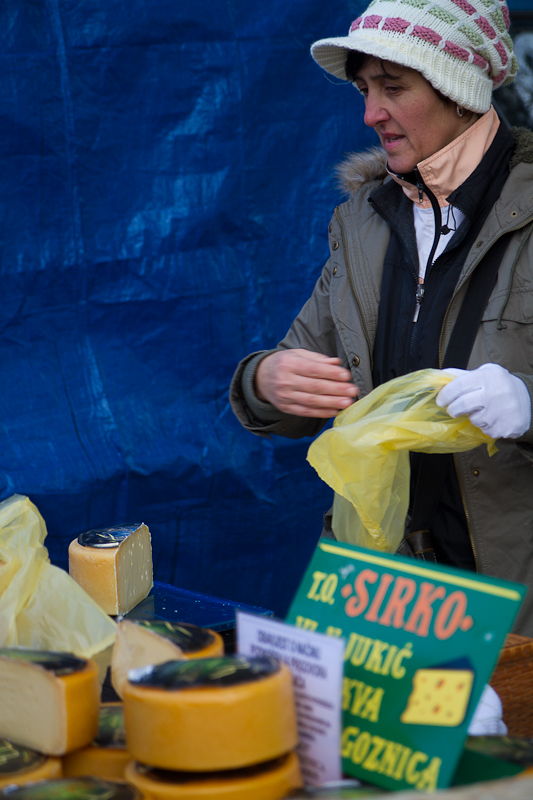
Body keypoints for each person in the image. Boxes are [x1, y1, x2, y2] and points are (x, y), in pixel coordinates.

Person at [230, 0, 533, 634]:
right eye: (365, 90)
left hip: (515, 602)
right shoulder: (362, 221)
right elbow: (302, 367)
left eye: (393, 88)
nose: (370, 114)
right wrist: (264, 382)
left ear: (459, 90)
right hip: (391, 597)